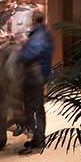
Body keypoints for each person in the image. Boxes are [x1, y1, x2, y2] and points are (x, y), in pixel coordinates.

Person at [17, 18, 53, 152]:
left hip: (34, 76)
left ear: (34, 21)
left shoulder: (39, 36)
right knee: (36, 107)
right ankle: (37, 138)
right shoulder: (41, 34)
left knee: (33, 108)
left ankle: (37, 138)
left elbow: (27, 55)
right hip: (38, 75)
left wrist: (21, 47)